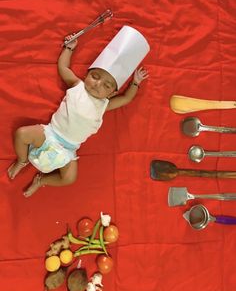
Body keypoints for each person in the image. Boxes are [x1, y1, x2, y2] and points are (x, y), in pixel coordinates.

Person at [7, 25, 149, 197]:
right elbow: (64, 69)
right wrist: (69, 48)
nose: (97, 84)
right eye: (95, 76)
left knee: (69, 179)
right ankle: (22, 161)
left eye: (106, 85)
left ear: (112, 93)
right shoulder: (77, 86)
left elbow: (126, 99)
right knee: (22, 134)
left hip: (68, 149)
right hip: (50, 134)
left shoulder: (104, 104)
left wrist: (135, 83)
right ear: (87, 74)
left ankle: (41, 181)